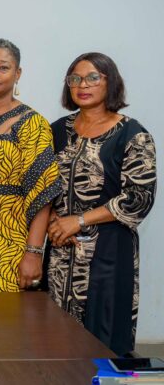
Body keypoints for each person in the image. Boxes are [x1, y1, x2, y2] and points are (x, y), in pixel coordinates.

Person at [47, 52, 156, 356]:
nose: (83, 84)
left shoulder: (132, 135)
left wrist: (78, 221)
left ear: (111, 82)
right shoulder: (57, 131)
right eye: (75, 78)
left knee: (103, 340)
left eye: (93, 77)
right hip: (60, 251)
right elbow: (43, 187)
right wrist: (56, 224)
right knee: (51, 340)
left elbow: (138, 198)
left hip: (108, 253)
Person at [0, 39, 61, 292]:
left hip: (9, 243)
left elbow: (43, 194)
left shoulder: (33, 124)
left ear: (17, 73)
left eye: (3, 67)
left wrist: (33, 252)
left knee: (3, 324)